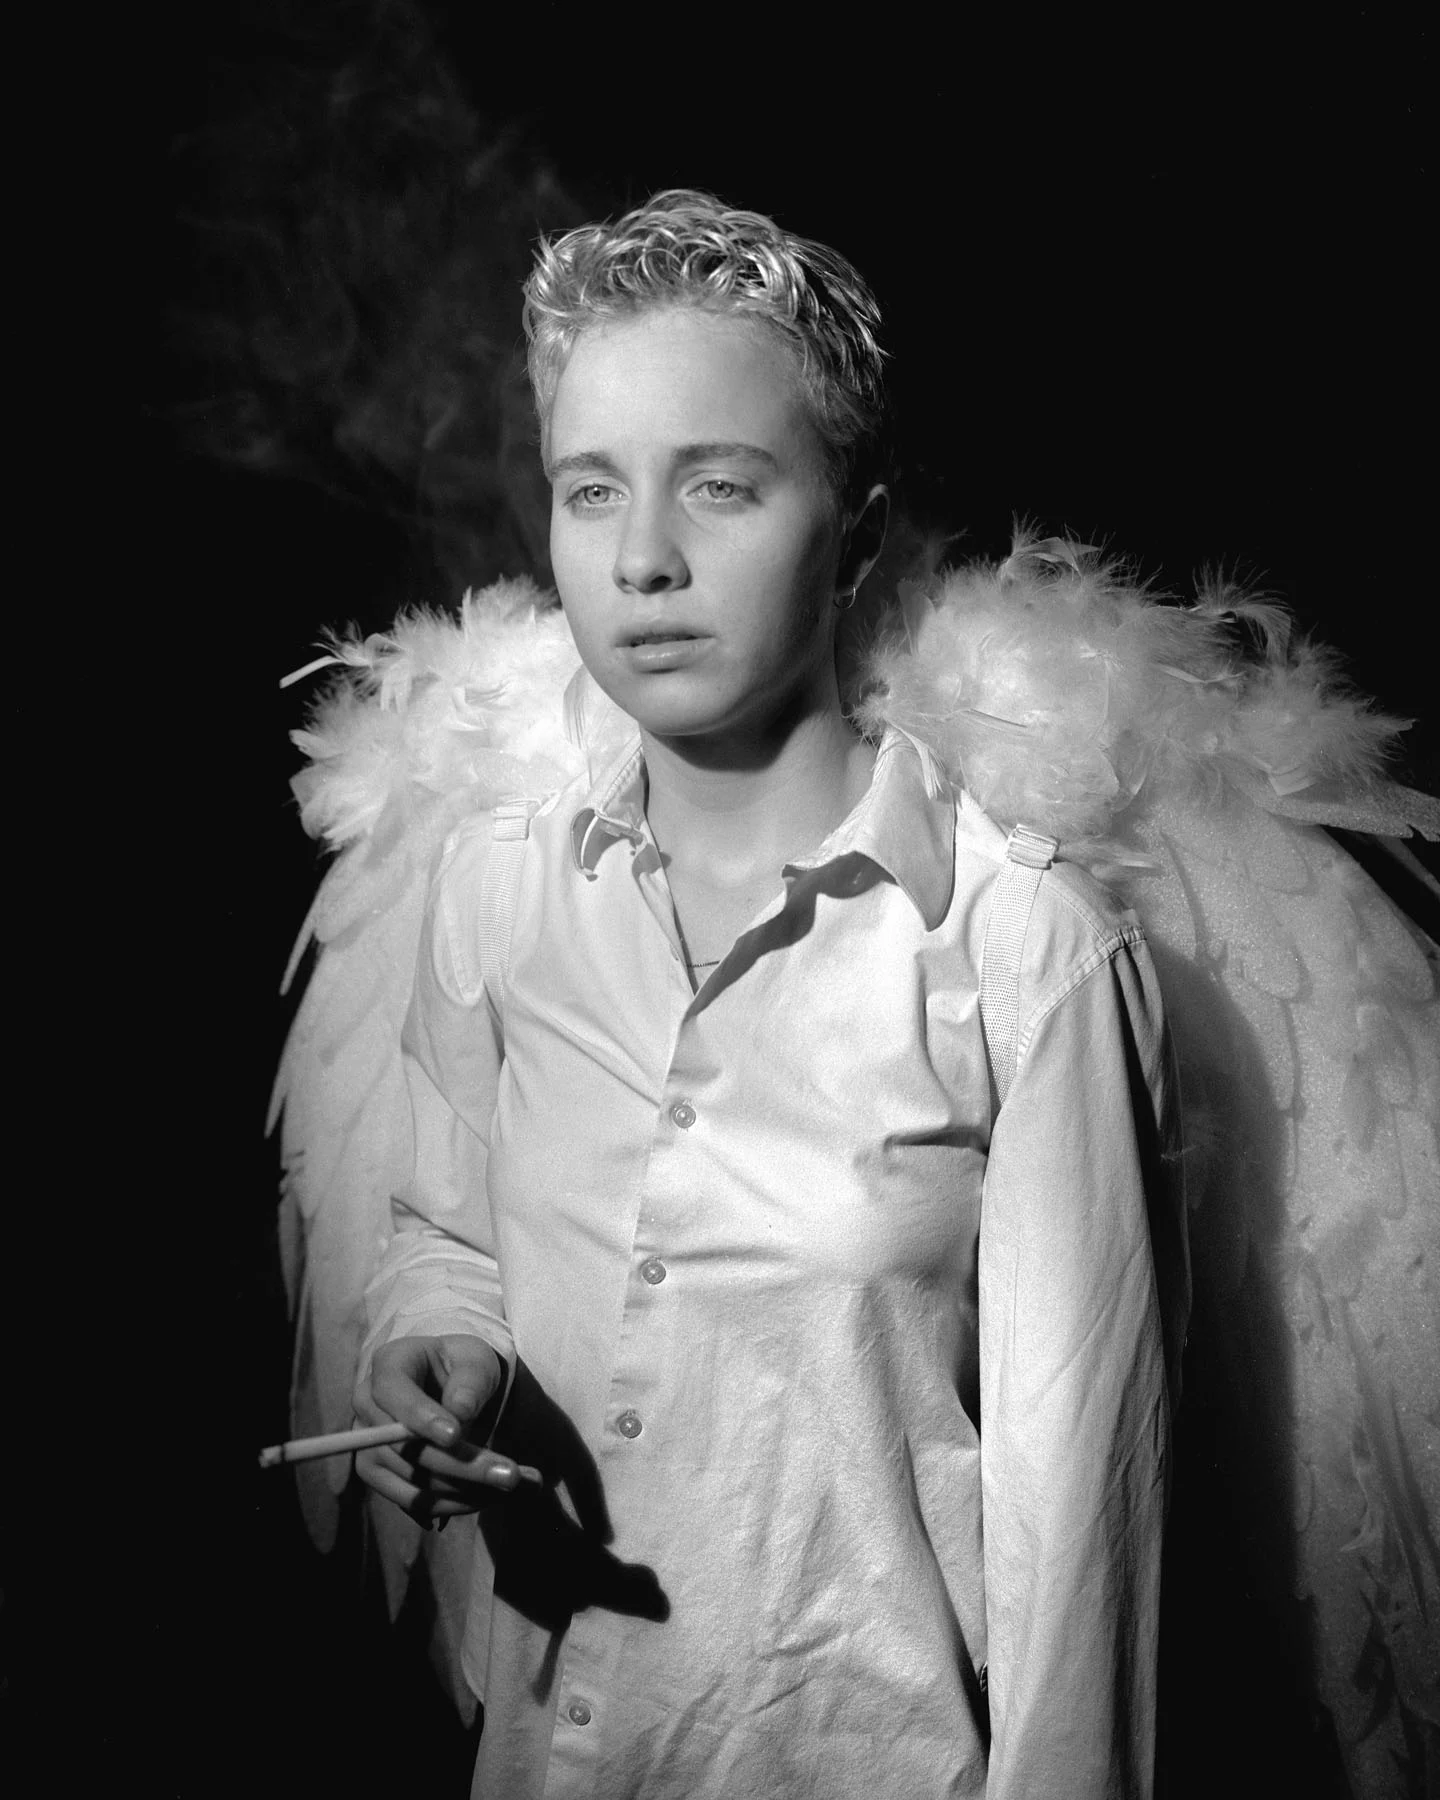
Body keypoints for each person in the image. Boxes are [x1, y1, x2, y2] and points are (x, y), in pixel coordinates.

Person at [350, 189, 1189, 1799]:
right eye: (591, 490)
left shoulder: (1026, 950)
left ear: (858, 533)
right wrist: (438, 1346)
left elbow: (1090, 1532)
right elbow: (445, 1236)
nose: (642, 559)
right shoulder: (499, 890)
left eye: (720, 485)